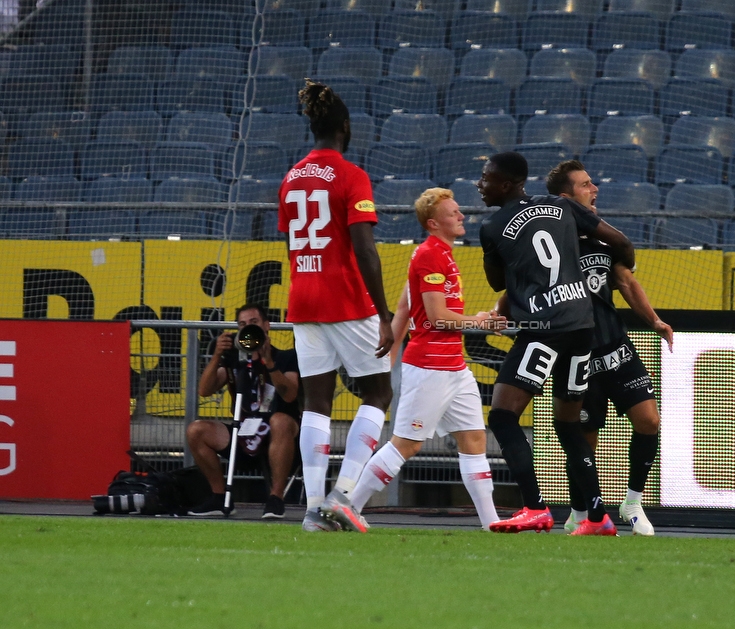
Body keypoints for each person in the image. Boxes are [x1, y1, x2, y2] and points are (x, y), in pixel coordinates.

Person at [323, 188, 504, 532]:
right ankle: (348, 507)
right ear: (434, 223)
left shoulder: (442, 255)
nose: (461, 216)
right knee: (407, 444)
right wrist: (479, 322)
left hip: (454, 366)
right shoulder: (429, 256)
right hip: (431, 367)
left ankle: (491, 523)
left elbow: (406, 308)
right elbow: (436, 317)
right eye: (453, 213)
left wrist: (389, 357)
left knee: (474, 439)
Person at [478, 151, 636, 536]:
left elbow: (497, 284)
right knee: (568, 424)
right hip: (582, 324)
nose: (480, 185)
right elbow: (619, 242)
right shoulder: (560, 205)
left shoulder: (493, 225)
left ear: (506, 183)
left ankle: (534, 507)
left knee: (502, 415)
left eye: (486, 178)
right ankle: (598, 517)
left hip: (544, 324)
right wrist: (624, 268)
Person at [278, 80, 394, 533]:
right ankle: (343, 496)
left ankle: (310, 509)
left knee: (316, 403)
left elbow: (290, 241)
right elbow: (365, 249)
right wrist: (384, 315)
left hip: (302, 299)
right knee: (377, 393)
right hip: (345, 297)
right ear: (345, 127)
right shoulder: (351, 175)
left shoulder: (290, 177)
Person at [545, 160, 673, 536]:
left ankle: (632, 502)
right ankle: (580, 511)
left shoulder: (603, 239)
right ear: (566, 197)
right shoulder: (550, 243)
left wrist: (654, 321)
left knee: (649, 420)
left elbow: (626, 281)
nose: (595, 188)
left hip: (616, 347)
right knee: (584, 440)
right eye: (586, 184)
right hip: (576, 357)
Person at [186, 304, 301, 519]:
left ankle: (276, 498)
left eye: (254, 323)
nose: (248, 328)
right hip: (244, 432)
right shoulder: (236, 361)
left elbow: (289, 394)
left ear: (267, 326)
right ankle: (220, 498)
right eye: (242, 325)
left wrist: (269, 362)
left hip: (281, 437)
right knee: (196, 430)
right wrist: (217, 354)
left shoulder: (286, 357)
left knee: (280, 420)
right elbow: (204, 390)